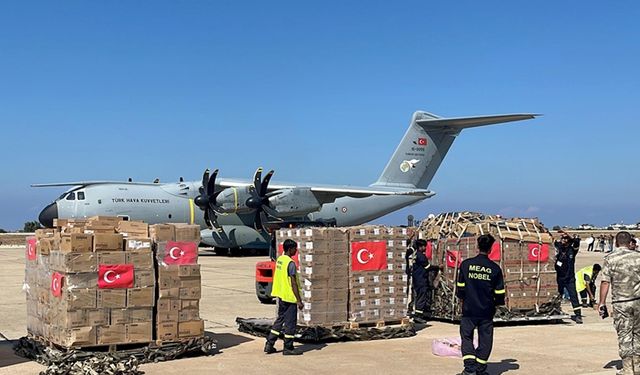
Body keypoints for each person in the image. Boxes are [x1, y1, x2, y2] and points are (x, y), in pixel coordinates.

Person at [456, 234, 505, 375]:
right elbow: (500, 292)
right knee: (485, 340)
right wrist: (496, 305)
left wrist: (462, 299)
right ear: (490, 249)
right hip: (486, 311)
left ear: (477, 247)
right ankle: (480, 369)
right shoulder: (495, 269)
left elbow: (460, 287)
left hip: (469, 309)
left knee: (466, 338)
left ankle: (470, 369)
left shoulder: (466, 265)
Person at [598, 231, 640, 374]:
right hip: (638, 301)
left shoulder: (610, 258)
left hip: (621, 302)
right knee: (638, 334)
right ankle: (638, 365)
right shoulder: (638, 257)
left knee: (625, 334)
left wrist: (601, 303)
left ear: (616, 243)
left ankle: (628, 368)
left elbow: (605, 282)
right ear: (630, 243)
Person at [264, 239, 304, 355]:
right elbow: (293, 283)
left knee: (279, 320)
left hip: (280, 296)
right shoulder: (290, 263)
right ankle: (288, 348)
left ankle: (269, 344)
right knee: (290, 323)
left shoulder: (280, 260)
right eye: (294, 249)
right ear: (290, 249)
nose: (296, 251)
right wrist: (299, 300)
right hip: (289, 297)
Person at [554, 231, 583, 324]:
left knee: (573, 296)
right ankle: (556, 313)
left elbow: (577, 242)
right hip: (559, 278)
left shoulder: (572, 250)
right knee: (557, 296)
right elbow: (552, 240)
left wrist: (568, 235)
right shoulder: (559, 247)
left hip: (570, 278)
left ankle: (578, 315)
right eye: (562, 238)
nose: (563, 240)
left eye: (565, 239)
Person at [407, 239, 438, 321]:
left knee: (419, 296)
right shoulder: (421, 256)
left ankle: (419, 314)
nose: (425, 248)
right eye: (424, 246)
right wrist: (438, 267)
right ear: (420, 247)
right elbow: (428, 267)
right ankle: (418, 316)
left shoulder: (416, 255)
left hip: (416, 279)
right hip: (421, 279)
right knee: (421, 297)